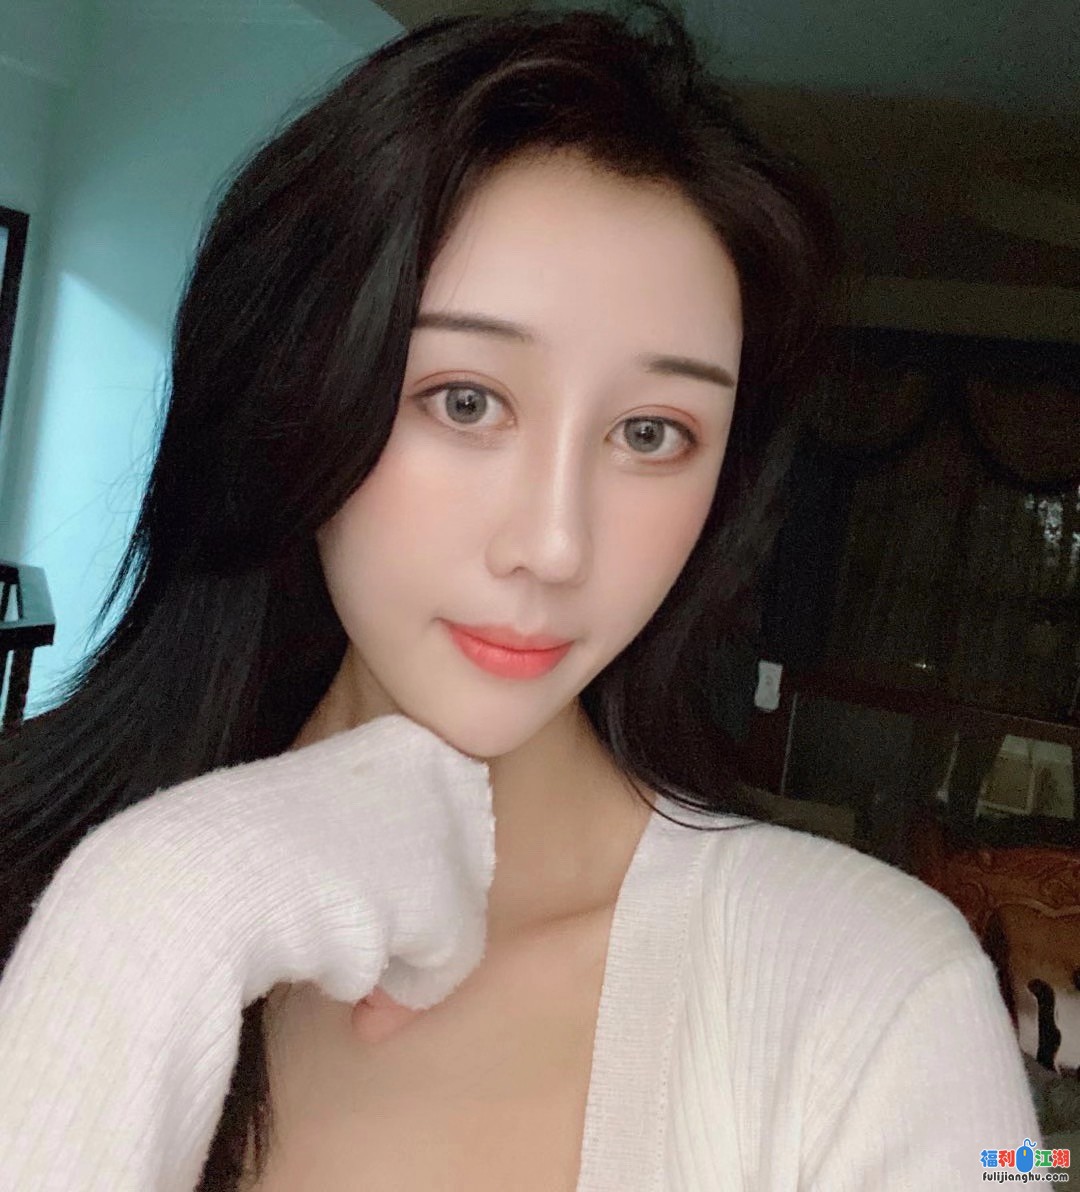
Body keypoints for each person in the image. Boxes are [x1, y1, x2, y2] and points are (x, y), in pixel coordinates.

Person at [0, 2, 1041, 1189]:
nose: (554, 545)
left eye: (651, 432)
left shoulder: (885, 1001)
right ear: (294, 391)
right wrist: (149, 917)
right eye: (466, 400)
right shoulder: (64, 871)